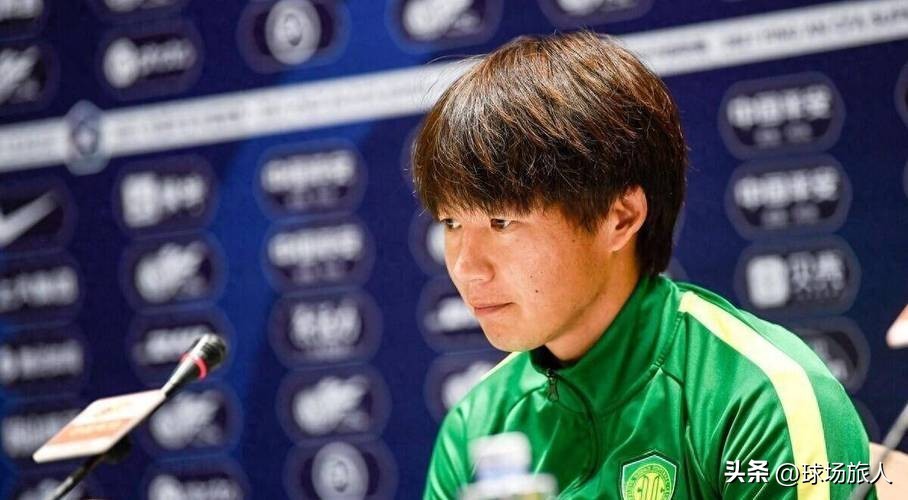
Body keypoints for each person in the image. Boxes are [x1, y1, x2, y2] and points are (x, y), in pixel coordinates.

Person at [411, 31, 875, 499]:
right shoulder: (476, 426)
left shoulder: (761, 397)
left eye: (502, 222)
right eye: (451, 223)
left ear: (621, 218)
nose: (467, 268)